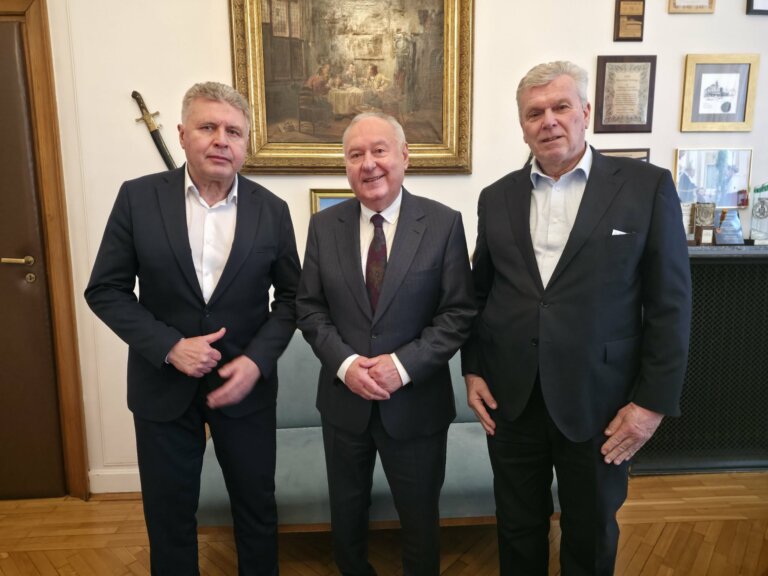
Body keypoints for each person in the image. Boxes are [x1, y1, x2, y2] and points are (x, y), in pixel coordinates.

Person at [461, 61, 692, 575]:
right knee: (516, 527)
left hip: (601, 401)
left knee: (589, 531)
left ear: (586, 112)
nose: (548, 121)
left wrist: (651, 404)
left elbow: (670, 305)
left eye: (561, 107)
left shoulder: (646, 187)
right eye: (534, 113)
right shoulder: (496, 198)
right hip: (512, 399)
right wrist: (473, 368)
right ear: (522, 125)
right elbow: (479, 294)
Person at [85, 81, 301, 575]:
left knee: (256, 508)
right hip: (161, 384)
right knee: (169, 516)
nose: (221, 140)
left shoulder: (272, 210)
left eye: (234, 132)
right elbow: (106, 290)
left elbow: (293, 298)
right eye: (208, 127)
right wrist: (170, 346)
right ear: (183, 135)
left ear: (246, 144)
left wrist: (256, 361)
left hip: (243, 387)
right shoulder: (137, 199)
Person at [296, 112, 476, 575]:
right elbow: (309, 309)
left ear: (404, 156)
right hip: (344, 404)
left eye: (379, 150)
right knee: (346, 514)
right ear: (346, 165)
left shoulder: (443, 224)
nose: (368, 164)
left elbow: (457, 313)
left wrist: (403, 365)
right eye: (355, 154)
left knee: (419, 518)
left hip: (416, 405)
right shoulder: (323, 226)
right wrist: (345, 365)